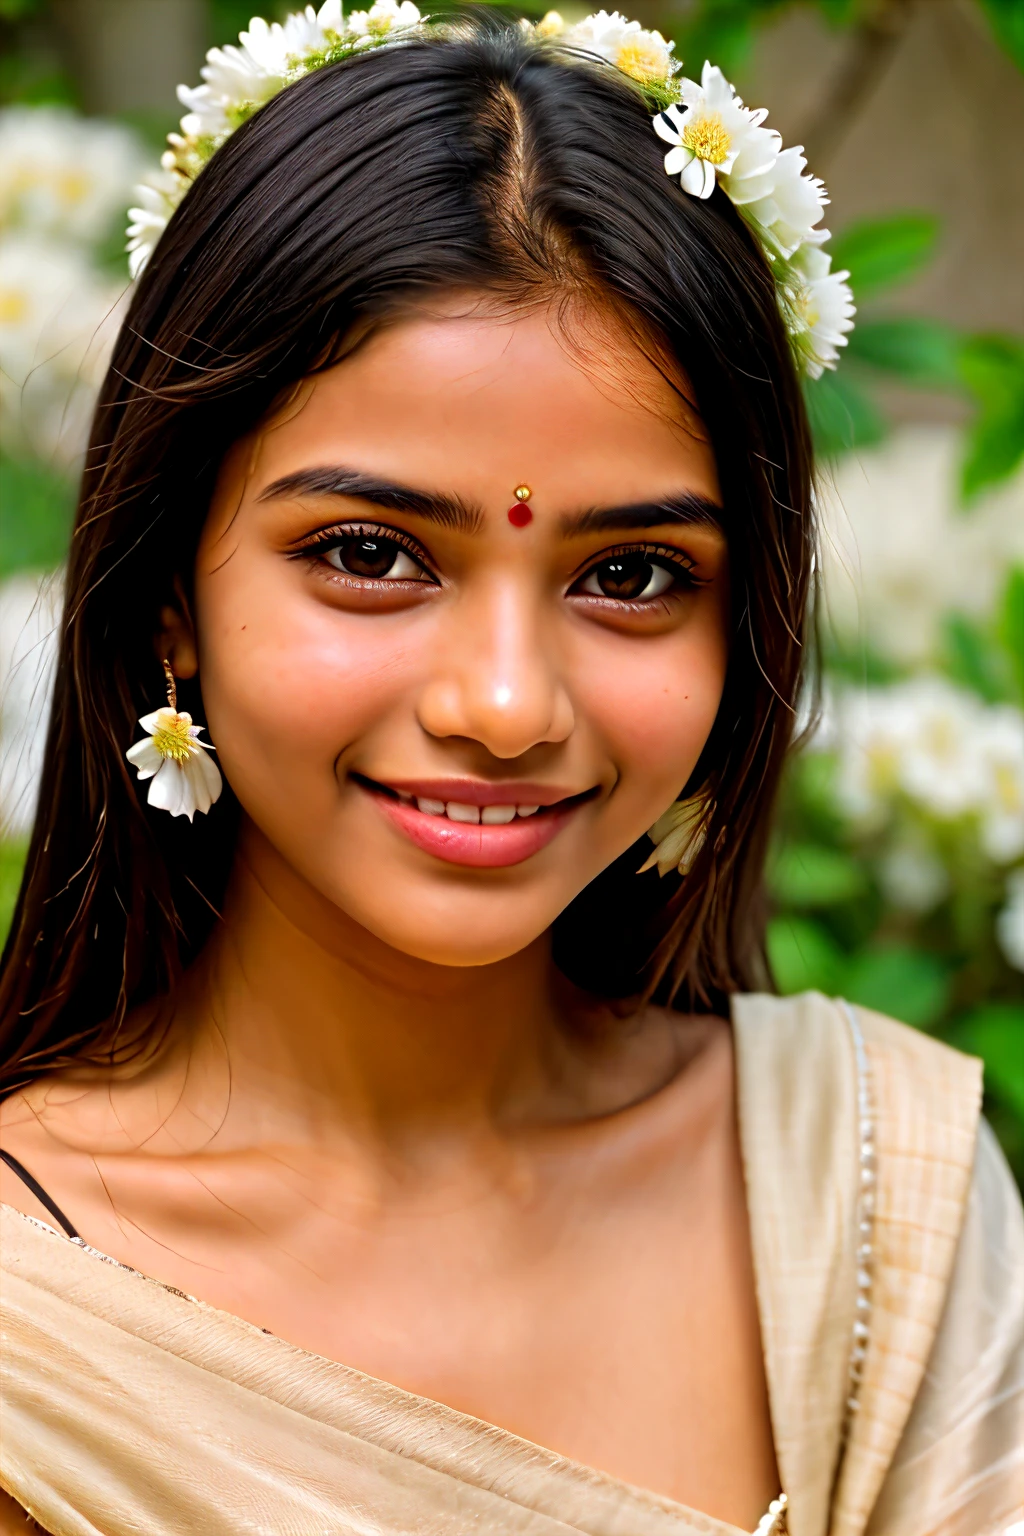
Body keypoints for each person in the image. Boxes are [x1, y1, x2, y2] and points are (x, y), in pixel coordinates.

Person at [0, 6, 1020, 1533]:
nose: (501, 703)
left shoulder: (875, 1194)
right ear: (169, 598)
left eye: (633, 576)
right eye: (369, 555)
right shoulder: (37, 1328)